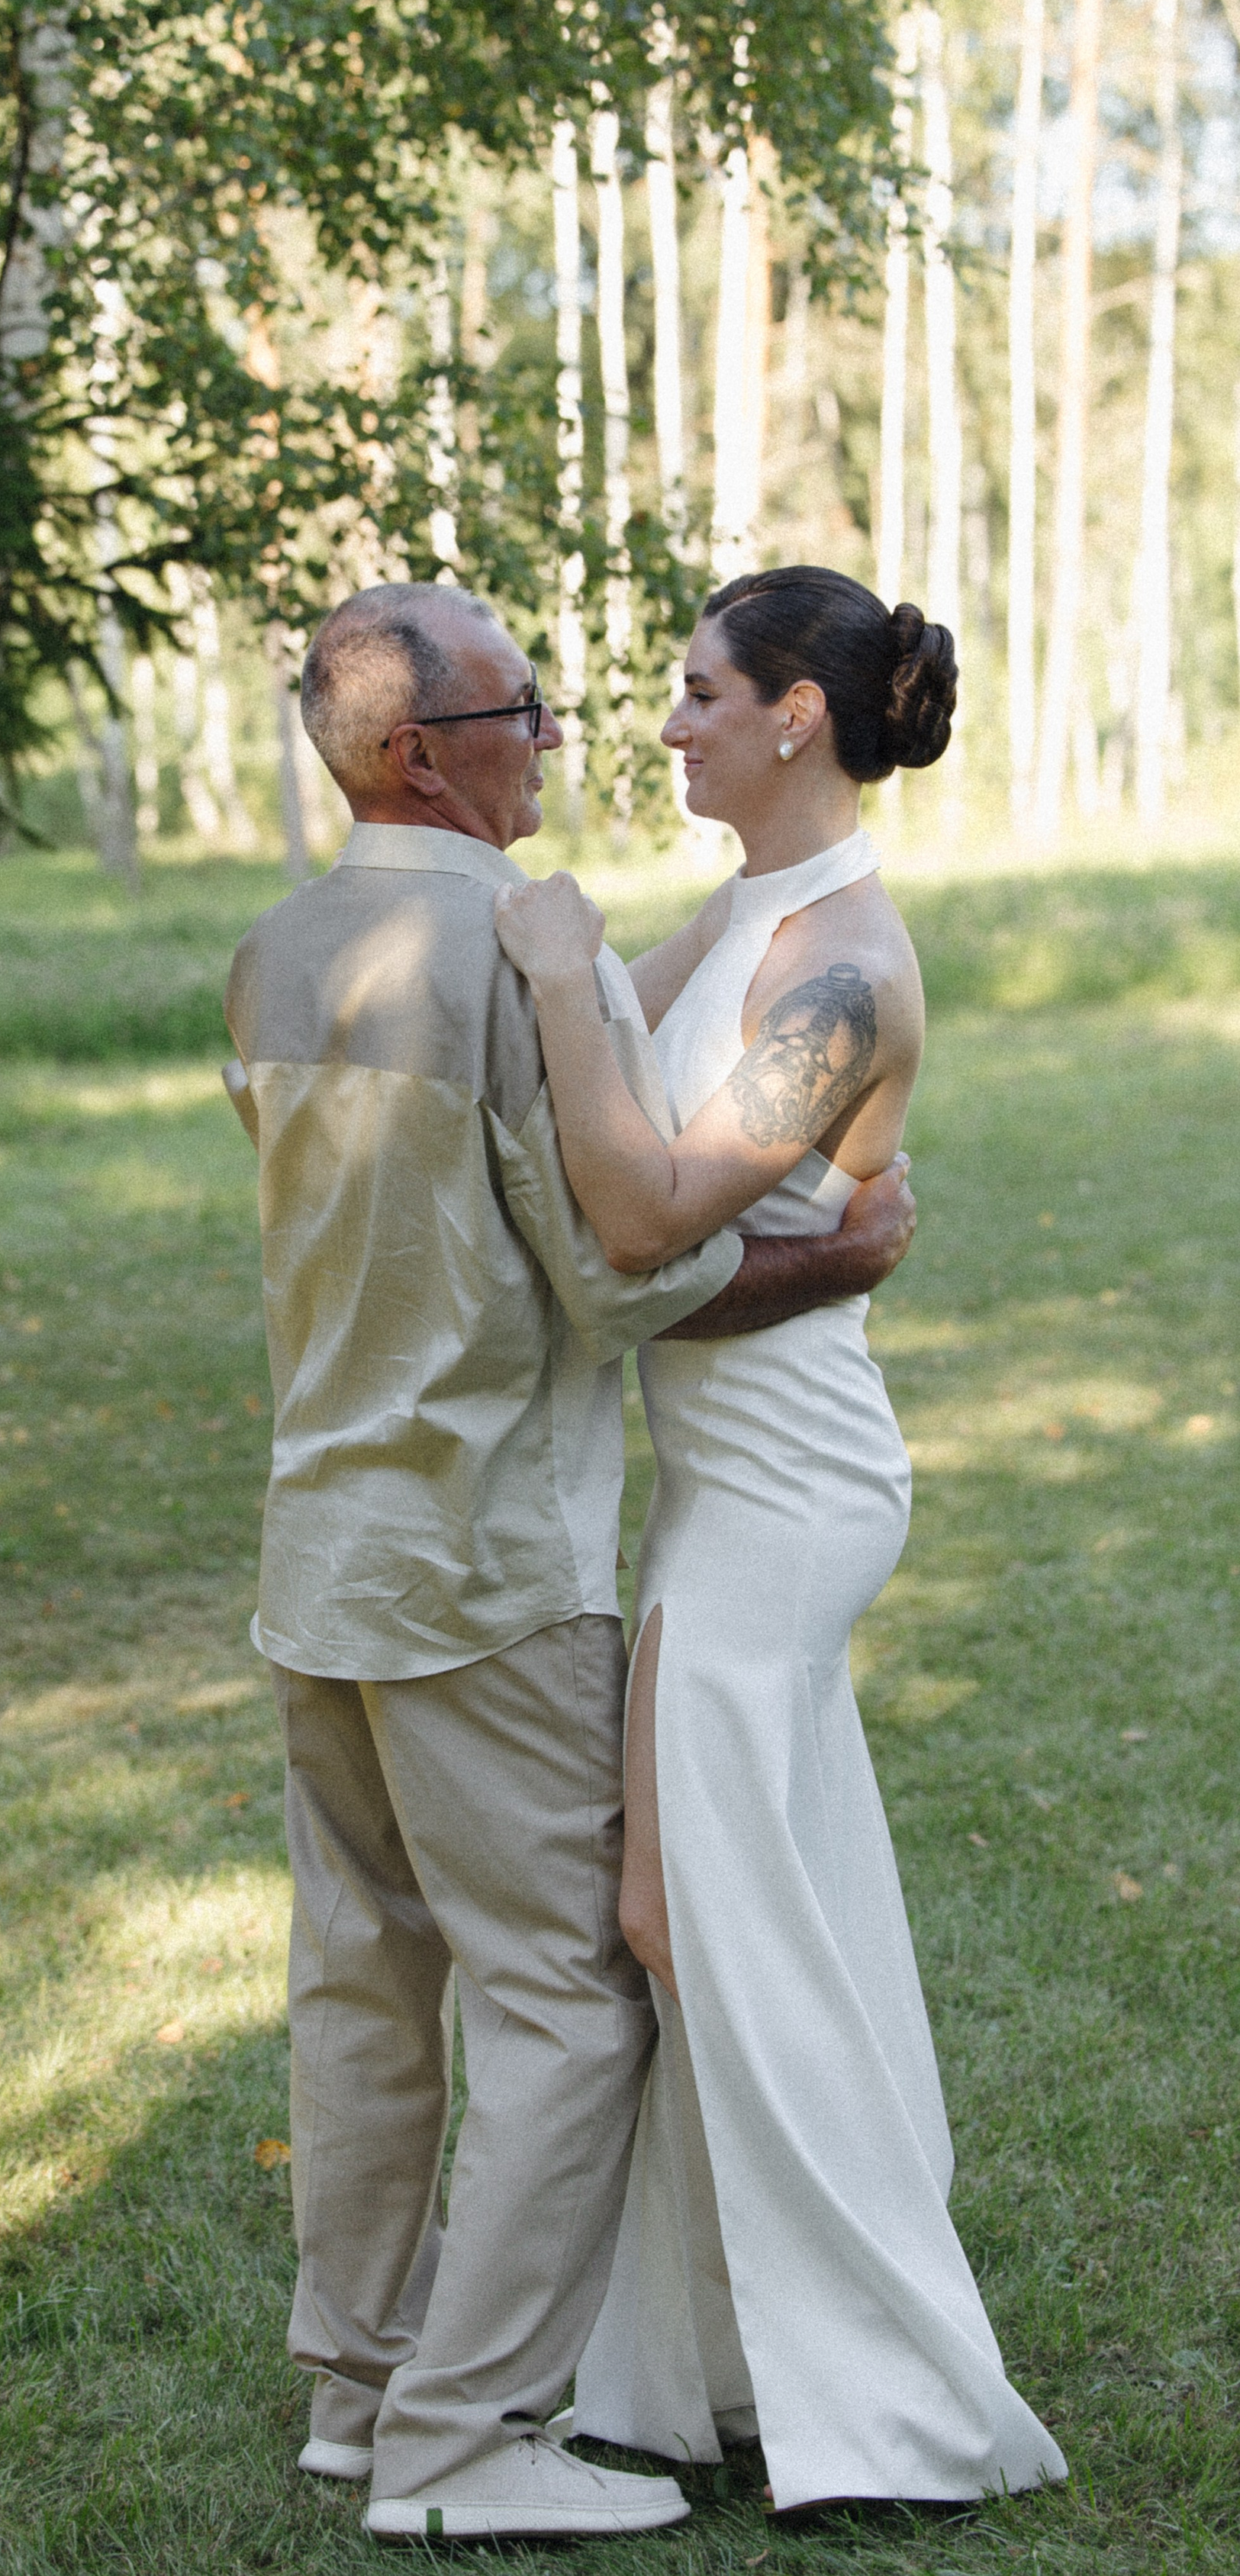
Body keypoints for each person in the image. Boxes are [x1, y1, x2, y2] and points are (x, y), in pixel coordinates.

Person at [222, 579, 918, 2543]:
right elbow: (625, 1261)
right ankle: (462, 2447)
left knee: (361, 1995)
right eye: (524, 708)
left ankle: (355, 2403)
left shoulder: (278, 955)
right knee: (561, 2001)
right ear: (427, 751)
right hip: (484, 1572)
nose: (559, 734)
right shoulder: (522, 963)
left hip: (314, 1555)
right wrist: (835, 1255)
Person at [492, 568, 1066, 2511]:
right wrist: (551, 984)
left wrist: (567, 979)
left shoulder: (838, 972)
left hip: (787, 1496)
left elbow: (640, 1218)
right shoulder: (740, 914)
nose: (664, 725)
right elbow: (578, 1156)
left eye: (693, 692)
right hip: (712, 1485)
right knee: (721, 1919)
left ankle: (896, 2406)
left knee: (695, 1925)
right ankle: (696, 2374)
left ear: (793, 718)